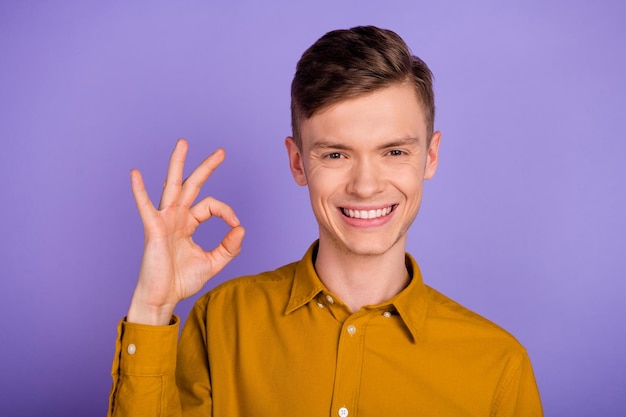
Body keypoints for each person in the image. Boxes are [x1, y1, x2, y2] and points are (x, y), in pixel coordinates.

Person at [108, 26, 543, 416]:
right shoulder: (220, 322)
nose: (366, 185)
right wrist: (152, 308)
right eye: (336, 154)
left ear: (430, 156)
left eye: (394, 151)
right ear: (298, 163)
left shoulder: (498, 366)